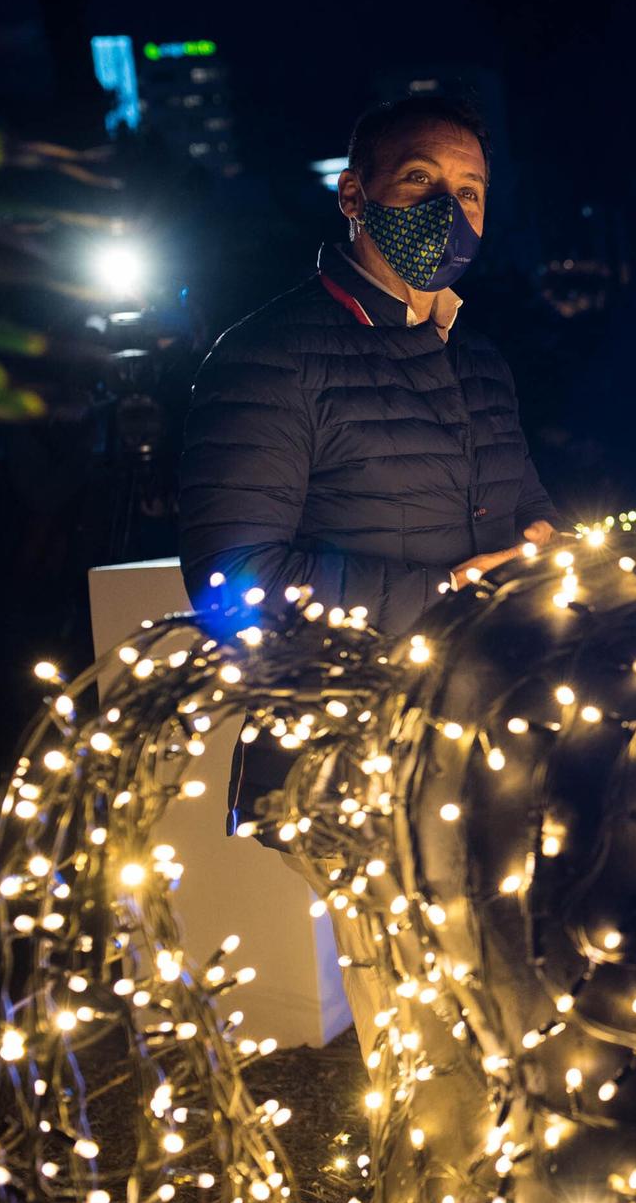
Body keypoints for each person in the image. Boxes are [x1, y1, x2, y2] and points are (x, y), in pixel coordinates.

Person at [176, 93, 561, 839]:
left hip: (486, 750)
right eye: (421, 180)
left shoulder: (479, 359)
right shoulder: (269, 355)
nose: (450, 208)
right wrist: (452, 593)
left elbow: (527, 509)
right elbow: (233, 583)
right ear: (354, 194)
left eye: (471, 192)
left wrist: (546, 544)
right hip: (338, 767)